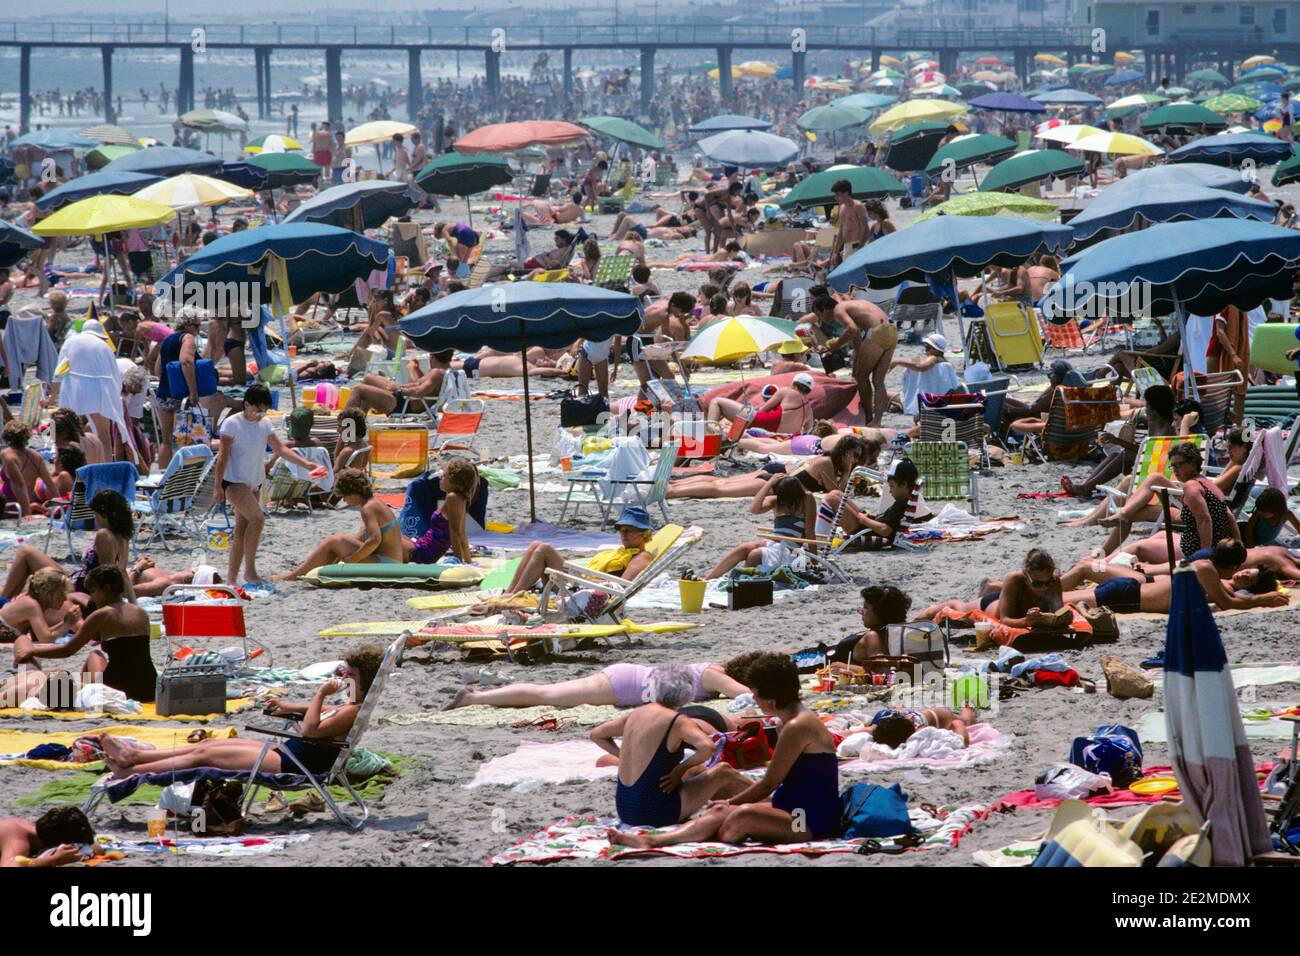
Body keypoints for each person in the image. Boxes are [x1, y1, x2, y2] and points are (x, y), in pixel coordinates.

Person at [606, 653, 841, 848]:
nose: (754, 700)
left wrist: (731, 802)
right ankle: (652, 841)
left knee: (738, 816)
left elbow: (769, 783)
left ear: (770, 698)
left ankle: (687, 833)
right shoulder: (786, 723)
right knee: (723, 813)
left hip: (807, 820)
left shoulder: (797, 727)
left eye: (756, 694)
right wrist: (728, 804)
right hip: (790, 806)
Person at [99, 646, 384, 780]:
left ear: (362, 678)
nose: (343, 674)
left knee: (205, 756)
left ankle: (132, 770)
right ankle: (134, 757)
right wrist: (288, 708)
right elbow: (322, 714)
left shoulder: (352, 710)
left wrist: (320, 693)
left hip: (296, 765)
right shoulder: (349, 706)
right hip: (289, 753)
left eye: (350, 672)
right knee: (209, 744)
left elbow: (310, 731)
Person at [591, 665, 750, 827]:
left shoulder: (637, 713)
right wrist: (679, 770)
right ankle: (766, 797)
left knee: (695, 771)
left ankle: (738, 800)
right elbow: (708, 748)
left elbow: (597, 735)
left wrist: (623, 756)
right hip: (656, 813)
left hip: (626, 810)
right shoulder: (677, 721)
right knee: (723, 771)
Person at [215, 384, 325, 586]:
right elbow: (222, 457)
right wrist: (217, 488)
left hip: (255, 482)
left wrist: (306, 464)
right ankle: (250, 572)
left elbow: (281, 449)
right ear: (246, 405)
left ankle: (232, 578)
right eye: (257, 409)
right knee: (257, 518)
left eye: (264, 410)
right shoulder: (232, 424)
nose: (260, 414)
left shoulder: (264, 424)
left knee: (241, 530)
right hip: (233, 482)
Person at [12, 566, 155, 702]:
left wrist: (32, 651)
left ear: (107, 588)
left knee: (89, 659)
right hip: (149, 687)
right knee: (98, 656)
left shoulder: (101, 615)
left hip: (119, 688)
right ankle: (84, 690)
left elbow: (67, 650)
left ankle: (84, 693)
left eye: (93, 591)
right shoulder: (141, 613)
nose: (92, 598)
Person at [446, 654, 755, 711]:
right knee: (546, 695)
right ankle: (475, 698)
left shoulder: (712, 669)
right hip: (623, 686)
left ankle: (478, 696)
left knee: (549, 693)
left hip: (627, 680)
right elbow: (744, 696)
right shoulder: (715, 676)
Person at [1062, 540, 1286, 614]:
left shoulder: (1209, 570)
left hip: (1130, 589)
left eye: (1248, 578)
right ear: (1235, 565)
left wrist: (1259, 597)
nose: (1243, 574)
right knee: (1056, 601)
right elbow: (1227, 603)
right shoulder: (1207, 571)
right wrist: (1262, 599)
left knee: (1060, 599)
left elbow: (1232, 598)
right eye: (1245, 571)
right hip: (1128, 593)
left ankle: (1033, 592)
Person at [496, 505, 657, 596]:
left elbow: (622, 587)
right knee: (536, 544)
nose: (623, 534)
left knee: (544, 549)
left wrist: (584, 579)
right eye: (621, 530)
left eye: (629, 530)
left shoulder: (642, 557)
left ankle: (512, 596)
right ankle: (510, 592)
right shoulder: (623, 551)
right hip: (581, 583)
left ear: (643, 533)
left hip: (586, 591)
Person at [277, 469, 408, 579]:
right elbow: (364, 538)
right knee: (340, 541)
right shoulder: (375, 503)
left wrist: (353, 560)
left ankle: (293, 576)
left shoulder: (368, 508)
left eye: (344, 496)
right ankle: (308, 570)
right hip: (391, 562)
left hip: (387, 565)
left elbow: (374, 540)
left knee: (334, 540)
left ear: (353, 492)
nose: (344, 500)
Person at [705, 474, 817, 579]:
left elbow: (810, 532)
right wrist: (768, 483)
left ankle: (743, 581)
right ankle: (707, 578)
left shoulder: (807, 498)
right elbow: (754, 509)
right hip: (773, 542)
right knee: (744, 548)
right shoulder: (776, 501)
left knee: (755, 555)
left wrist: (814, 560)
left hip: (790, 547)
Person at [814, 295, 896, 427]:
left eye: (818, 314)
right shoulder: (851, 307)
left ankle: (868, 416)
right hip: (891, 330)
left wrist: (836, 345)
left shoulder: (838, 309)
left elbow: (851, 329)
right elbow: (857, 343)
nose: (819, 319)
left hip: (877, 331)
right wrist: (854, 371)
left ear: (824, 309)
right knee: (878, 381)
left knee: (862, 377)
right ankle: (877, 421)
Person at [410, 456, 479, 565]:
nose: (440, 477)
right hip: (425, 547)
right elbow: (461, 533)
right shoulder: (460, 498)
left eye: (444, 475)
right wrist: (468, 561)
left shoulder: (452, 498)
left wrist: (458, 560)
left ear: (455, 481)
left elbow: (455, 532)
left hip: (426, 551)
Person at [705, 372, 815, 435]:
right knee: (739, 417)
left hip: (763, 423)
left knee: (717, 402)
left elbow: (763, 410)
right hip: (780, 434)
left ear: (794, 383)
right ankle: (724, 435)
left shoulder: (787, 391)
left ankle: (711, 435)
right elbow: (807, 431)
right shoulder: (809, 410)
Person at [829, 585, 912, 663]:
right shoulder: (895, 634)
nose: (861, 611)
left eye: (866, 607)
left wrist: (847, 668)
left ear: (880, 613)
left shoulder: (873, 637)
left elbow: (881, 672)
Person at [989, 548, 1063, 628]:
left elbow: (1058, 613)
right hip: (992, 604)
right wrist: (1026, 621)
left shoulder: (1055, 581)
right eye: (1038, 584)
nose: (1044, 587)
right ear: (1025, 575)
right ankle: (989, 585)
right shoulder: (1014, 579)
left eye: (1049, 582)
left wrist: (1064, 618)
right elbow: (1004, 620)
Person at [0, 807, 97, 867]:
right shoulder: (17, 839)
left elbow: (94, 846)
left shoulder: (42, 832)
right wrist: (53, 859)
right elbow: (11, 865)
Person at [1, 420, 56, 517]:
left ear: (7, 437)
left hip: (9, 507)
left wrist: (26, 513)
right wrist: (61, 506)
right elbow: (50, 483)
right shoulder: (36, 456)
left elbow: (19, 484)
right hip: (25, 503)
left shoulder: (7, 454)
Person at [867, 704, 976, 747]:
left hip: (942, 717)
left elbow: (962, 742)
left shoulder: (921, 730)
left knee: (964, 721)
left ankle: (968, 707)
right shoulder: (884, 726)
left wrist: (958, 725)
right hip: (919, 713)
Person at [830, 179, 868, 267]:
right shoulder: (842, 207)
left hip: (857, 245)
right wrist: (835, 252)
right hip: (847, 247)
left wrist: (859, 248)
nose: (836, 198)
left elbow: (865, 230)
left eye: (838, 195)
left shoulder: (858, 206)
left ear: (846, 193)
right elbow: (841, 231)